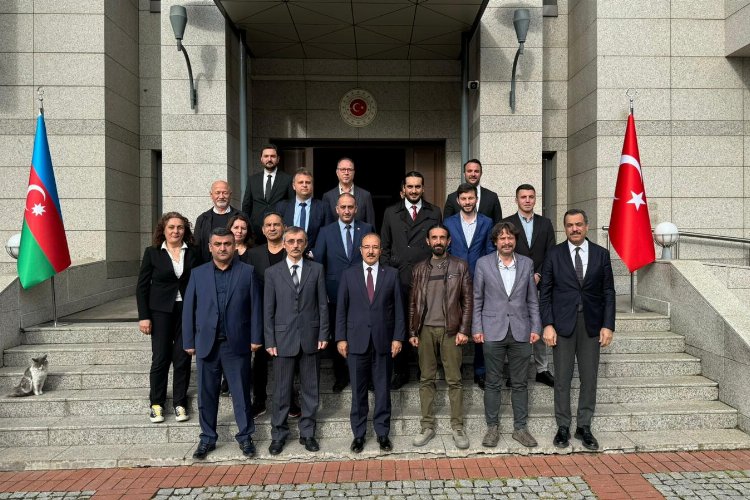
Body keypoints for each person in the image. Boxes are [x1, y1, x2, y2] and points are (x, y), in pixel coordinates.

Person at [182, 227, 263, 460]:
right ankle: (207, 438)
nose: (223, 248)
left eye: (227, 244)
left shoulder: (247, 272)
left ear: (234, 246)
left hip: (236, 344)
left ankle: (245, 437)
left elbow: (256, 307)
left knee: (241, 394)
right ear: (210, 247)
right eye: (217, 244)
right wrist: (188, 340)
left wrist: (256, 337)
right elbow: (189, 309)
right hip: (207, 344)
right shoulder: (198, 274)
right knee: (206, 395)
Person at [540, 208, 615, 451]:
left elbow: (608, 292)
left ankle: (584, 426)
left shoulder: (601, 254)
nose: (575, 229)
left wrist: (608, 325)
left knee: (589, 378)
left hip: (591, 324)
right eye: (570, 225)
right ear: (565, 228)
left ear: (586, 226)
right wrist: (547, 324)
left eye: (579, 224)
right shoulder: (554, 254)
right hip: (562, 324)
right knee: (562, 378)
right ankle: (563, 426)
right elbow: (545, 292)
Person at [472, 221, 540, 449]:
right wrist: (477, 328)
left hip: (521, 331)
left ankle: (520, 429)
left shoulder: (527, 264)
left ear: (515, 240)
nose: (507, 241)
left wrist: (536, 328)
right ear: (495, 242)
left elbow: (532, 299)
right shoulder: (483, 264)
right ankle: (492, 428)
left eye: (510, 237)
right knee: (492, 382)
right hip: (492, 330)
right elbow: (477, 299)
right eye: (502, 238)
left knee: (520, 383)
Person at [336, 233, 405, 453]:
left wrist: (398, 337)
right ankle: (359, 435)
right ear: (360, 250)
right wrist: (340, 338)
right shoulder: (348, 275)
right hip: (356, 342)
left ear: (381, 250)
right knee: (358, 391)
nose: (371, 251)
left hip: (383, 341)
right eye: (367, 247)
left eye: (375, 247)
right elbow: (341, 309)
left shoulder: (391, 274)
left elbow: (399, 309)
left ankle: (382, 433)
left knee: (383, 390)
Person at [264, 226, 329, 456]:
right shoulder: (272, 273)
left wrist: (323, 334)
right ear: (284, 244)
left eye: (300, 241)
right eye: (291, 241)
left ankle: (308, 433)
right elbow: (268, 310)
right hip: (282, 339)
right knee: (282, 391)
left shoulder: (316, 269)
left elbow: (322, 305)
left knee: (311, 390)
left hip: (311, 337)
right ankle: (278, 434)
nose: (295, 245)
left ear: (305, 244)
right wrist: (269, 339)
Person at [408, 224, 472, 450]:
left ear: (448, 241)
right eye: (434, 237)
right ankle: (427, 426)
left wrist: (464, 330)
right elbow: (413, 303)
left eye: (442, 237)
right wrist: (412, 331)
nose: (438, 241)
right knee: (426, 379)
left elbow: (467, 301)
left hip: (450, 331)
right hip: (425, 329)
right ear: (428, 241)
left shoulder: (460, 266)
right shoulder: (419, 269)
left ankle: (457, 426)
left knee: (454, 380)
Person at [136, 212, 200, 424]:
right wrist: (144, 316)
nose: (176, 231)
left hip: (187, 310)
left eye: (180, 227)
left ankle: (180, 403)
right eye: (171, 227)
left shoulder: (194, 252)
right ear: (163, 230)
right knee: (161, 358)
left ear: (185, 230)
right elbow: (142, 287)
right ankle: (157, 404)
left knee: (183, 357)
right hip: (160, 312)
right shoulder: (152, 252)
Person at [381, 170, 442, 389]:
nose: (414, 190)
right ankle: (401, 371)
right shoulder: (390, 212)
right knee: (400, 323)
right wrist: (389, 271)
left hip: (427, 278)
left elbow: (438, 244)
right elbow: (384, 246)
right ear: (403, 189)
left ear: (423, 189)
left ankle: (426, 371)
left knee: (425, 324)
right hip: (399, 277)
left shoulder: (434, 212)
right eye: (410, 186)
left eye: (417, 186)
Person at [313, 193, 374, 392]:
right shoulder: (325, 231)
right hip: (334, 292)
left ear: (356, 209)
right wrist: (322, 292)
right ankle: (340, 376)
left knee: (364, 333)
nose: (347, 211)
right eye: (343, 207)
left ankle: (366, 377)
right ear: (336, 209)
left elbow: (372, 259)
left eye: (350, 207)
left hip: (362, 292)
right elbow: (319, 263)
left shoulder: (366, 229)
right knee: (338, 333)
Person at [502, 184, 556, 388]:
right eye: (523, 197)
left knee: (539, 324)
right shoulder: (506, 223)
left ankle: (542, 369)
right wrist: (522, 275)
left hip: (540, 283)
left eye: (531, 197)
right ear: (516, 200)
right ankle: (516, 371)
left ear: (535, 199)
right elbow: (504, 251)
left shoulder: (545, 223)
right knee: (515, 327)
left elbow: (550, 252)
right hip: (513, 283)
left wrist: (538, 274)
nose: (527, 200)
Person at [443, 183, 495, 390]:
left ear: (476, 199)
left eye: (470, 198)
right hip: (454, 282)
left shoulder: (487, 222)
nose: (467, 202)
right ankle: (453, 372)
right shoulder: (448, 222)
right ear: (458, 201)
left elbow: (490, 250)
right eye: (463, 199)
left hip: (480, 281)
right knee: (454, 325)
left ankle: (480, 371)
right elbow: (446, 251)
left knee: (480, 327)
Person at [244, 212, 286, 418]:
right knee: (260, 361)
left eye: (276, 224)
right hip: (262, 314)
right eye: (268, 225)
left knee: (287, 360)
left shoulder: (292, 250)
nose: (272, 228)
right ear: (262, 230)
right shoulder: (253, 254)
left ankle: (290, 400)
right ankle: (259, 400)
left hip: (287, 315)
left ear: (283, 228)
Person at [241, 144, 294, 244]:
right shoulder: (252, 179)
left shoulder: (287, 179)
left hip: (278, 230)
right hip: (256, 231)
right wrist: (247, 226)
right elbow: (246, 205)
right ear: (261, 159)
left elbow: (292, 204)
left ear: (278, 159)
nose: (269, 159)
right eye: (266, 156)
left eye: (272, 156)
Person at [276, 168, 333, 252]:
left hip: (313, 256)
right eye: (300, 182)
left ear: (312, 186)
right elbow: (278, 232)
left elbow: (328, 234)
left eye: (308, 182)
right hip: (287, 254)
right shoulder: (282, 206)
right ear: (294, 186)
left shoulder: (323, 207)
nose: (304, 185)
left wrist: (315, 253)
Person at [194, 180, 241, 263]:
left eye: (225, 193)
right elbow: (197, 247)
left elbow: (249, 242)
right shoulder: (202, 219)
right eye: (217, 193)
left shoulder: (240, 217)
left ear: (230, 195)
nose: (221, 196)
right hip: (208, 266)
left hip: (236, 265)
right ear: (211, 195)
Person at [321, 158, 375, 227]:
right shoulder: (327, 196)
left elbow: (371, 225)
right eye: (343, 169)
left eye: (349, 169)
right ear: (337, 172)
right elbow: (326, 227)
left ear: (354, 172)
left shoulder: (365, 195)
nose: (346, 173)